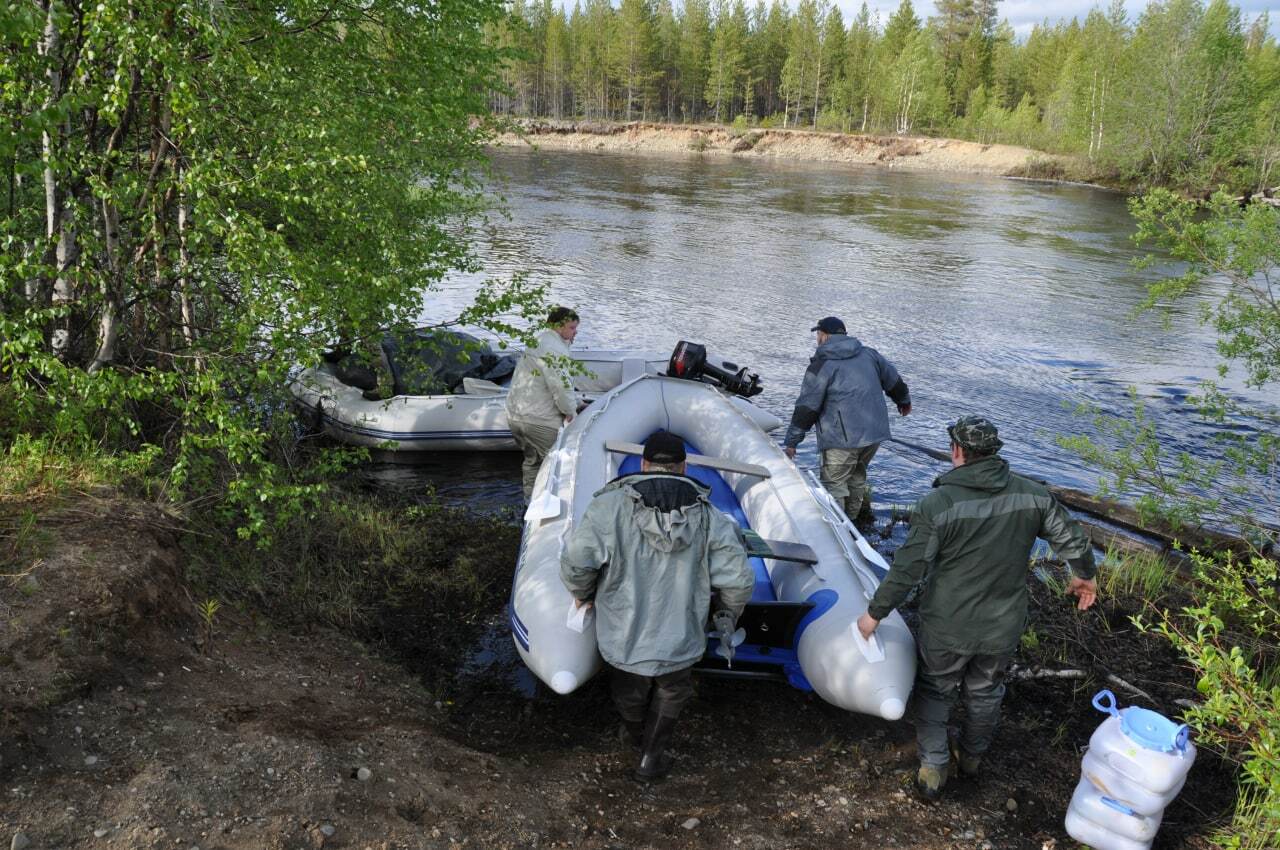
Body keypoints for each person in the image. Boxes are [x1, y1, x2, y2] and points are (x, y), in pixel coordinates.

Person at [856, 415, 1099, 802]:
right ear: (993, 451)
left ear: (957, 451)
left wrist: (874, 614)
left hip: (948, 626)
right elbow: (1072, 539)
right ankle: (971, 760)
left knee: (936, 690)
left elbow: (908, 568)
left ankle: (933, 770)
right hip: (1002, 626)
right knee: (985, 692)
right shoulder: (1033, 494)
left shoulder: (938, 504)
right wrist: (1084, 575)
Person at [560, 432, 755, 782]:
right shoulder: (710, 516)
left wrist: (582, 594)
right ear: (683, 467)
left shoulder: (608, 507)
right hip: (680, 636)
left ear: (644, 465)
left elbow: (577, 562)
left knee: (628, 685)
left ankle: (633, 735)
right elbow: (739, 579)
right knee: (673, 687)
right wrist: (725, 614)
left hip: (623, 634)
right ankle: (651, 756)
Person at [782, 316, 911, 525]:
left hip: (841, 439)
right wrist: (903, 401)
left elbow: (806, 409)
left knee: (834, 484)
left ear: (824, 336)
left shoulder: (821, 365)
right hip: (873, 434)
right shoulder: (869, 354)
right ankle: (853, 525)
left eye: (818, 334)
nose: (817, 338)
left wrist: (791, 442)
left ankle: (838, 532)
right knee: (857, 477)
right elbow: (893, 380)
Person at [507, 306, 582, 500]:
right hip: (540, 421)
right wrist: (571, 411)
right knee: (556, 468)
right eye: (572, 328)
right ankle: (550, 514)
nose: (575, 332)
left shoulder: (537, 341)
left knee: (531, 462)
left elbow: (542, 381)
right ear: (558, 326)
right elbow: (560, 386)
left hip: (516, 416)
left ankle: (528, 504)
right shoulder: (555, 349)